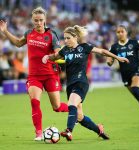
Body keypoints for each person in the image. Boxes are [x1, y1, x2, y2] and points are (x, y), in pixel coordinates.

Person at [42, 25, 129, 141]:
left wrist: (117, 57)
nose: (66, 41)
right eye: (65, 38)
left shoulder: (84, 47)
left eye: (68, 38)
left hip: (81, 82)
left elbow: (102, 51)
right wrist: (47, 56)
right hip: (70, 85)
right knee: (79, 117)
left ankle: (68, 131)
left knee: (71, 104)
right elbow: (54, 56)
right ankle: (99, 130)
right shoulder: (65, 50)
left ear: (75, 37)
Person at [0, 7, 69, 141]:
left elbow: (58, 53)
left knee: (57, 107)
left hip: (50, 74)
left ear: (45, 20)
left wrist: (49, 57)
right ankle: (38, 133)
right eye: (36, 20)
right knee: (34, 102)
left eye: (41, 20)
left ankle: (74, 108)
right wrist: (5, 32)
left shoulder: (51, 35)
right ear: (32, 20)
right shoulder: (28, 33)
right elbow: (18, 43)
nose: (38, 23)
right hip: (34, 76)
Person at [107, 25, 139, 112]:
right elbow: (109, 60)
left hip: (136, 71)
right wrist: (109, 62)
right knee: (136, 96)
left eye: (122, 31)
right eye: (118, 32)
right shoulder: (114, 47)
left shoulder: (134, 43)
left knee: (135, 89)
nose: (120, 33)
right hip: (125, 75)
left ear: (126, 32)